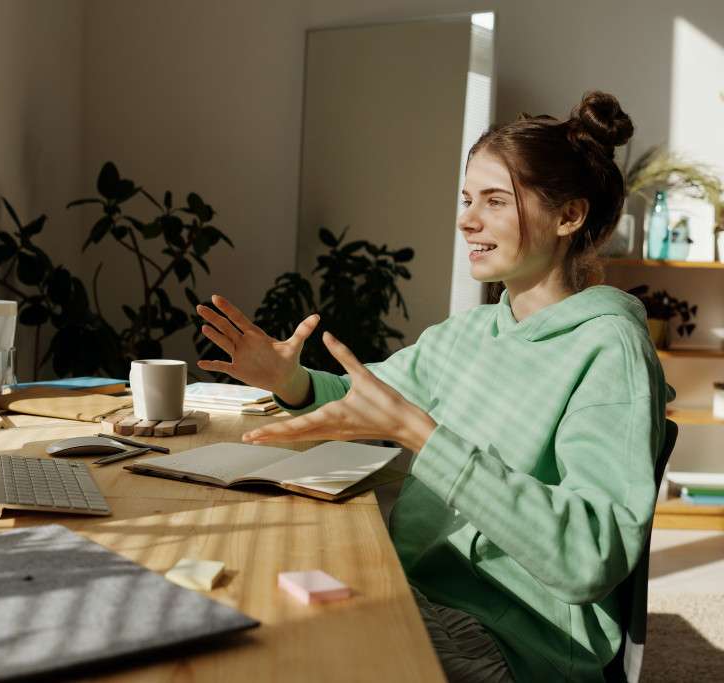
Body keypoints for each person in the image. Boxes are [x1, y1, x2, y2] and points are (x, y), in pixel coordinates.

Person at [194, 91, 674, 682]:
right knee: (235, 616)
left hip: (511, 637)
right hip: (418, 591)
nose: (466, 220)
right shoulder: (468, 333)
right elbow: (371, 401)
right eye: (467, 199)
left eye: (496, 201)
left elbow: (587, 556)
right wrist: (287, 378)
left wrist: (421, 434)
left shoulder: (609, 351)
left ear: (569, 216)